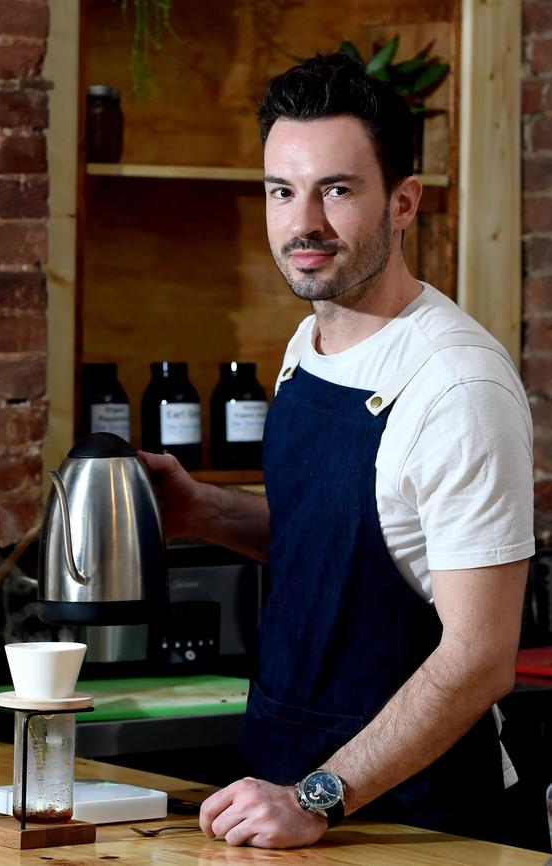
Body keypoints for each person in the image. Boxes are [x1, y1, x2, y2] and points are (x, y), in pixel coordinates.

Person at [139, 52, 534, 849]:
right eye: (282, 192)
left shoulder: (458, 386)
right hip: (274, 801)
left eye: (337, 190)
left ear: (404, 203)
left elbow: (481, 658)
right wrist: (202, 510)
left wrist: (317, 797)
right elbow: (340, 548)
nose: (303, 222)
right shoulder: (309, 344)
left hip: (425, 825)